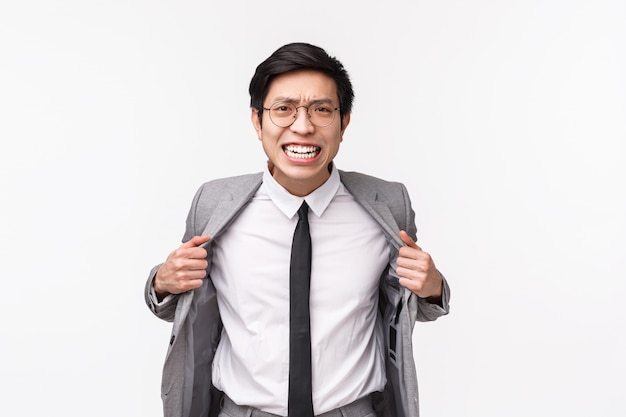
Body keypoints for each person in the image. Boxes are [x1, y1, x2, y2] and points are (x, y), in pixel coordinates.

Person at [145, 42, 450, 417]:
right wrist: (162, 281)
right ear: (257, 121)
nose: (303, 127)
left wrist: (433, 288)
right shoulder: (214, 205)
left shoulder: (387, 204)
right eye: (284, 109)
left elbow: (409, 306)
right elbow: (179, 306)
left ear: (344, 122)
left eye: (322, 110)